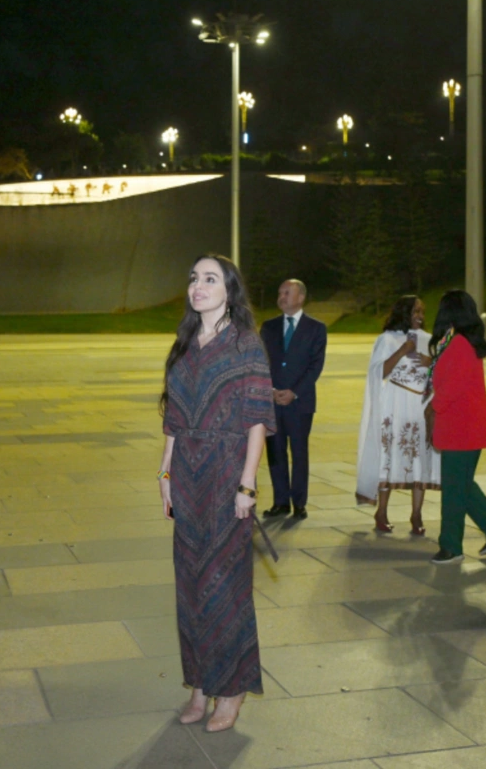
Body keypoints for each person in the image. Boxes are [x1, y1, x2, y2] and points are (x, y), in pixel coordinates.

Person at [158, 254, 276, 733]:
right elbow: (173, 416)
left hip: (227, 472)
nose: (198, 286)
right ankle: (199, 684)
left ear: (230, 291)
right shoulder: (185, 344)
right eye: (194, 278)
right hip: (187, 475)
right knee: (190, 584)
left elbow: (257, 420)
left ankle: (230, 690)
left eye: (210, 279)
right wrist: (165, 472)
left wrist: (248, 483)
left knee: (225, 585)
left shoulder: (246, 344)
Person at [426, 290, 486, 564]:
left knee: (455, 490)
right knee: (461, 486)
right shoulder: (462, 341)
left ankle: (451, 547)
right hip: (463, 426)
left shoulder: (459, 344)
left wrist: (432, 407)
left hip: (461, 428)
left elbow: (452, 386)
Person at [355, 295, 440, 535]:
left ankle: (417, 514)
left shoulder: (429, 339)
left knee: (419, 457)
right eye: (415, 312)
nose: (420, 316)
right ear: (404, 313)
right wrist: (402, 351)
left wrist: (431, 362)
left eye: (422, 312)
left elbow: (441, 373)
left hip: (421, 404)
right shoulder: (387, 339)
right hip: (395, 404)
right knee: (390, 455)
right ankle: (381, 511)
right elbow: (378, 372)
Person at [260, 279, 327, 520]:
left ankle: (299, 503)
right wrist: (270, 390)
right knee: (275, 453)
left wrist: (294, 392)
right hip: (272, 401)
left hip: (300, 402)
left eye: (287, 293)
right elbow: (260, 362)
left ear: (301, 297)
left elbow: (315, 366)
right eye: (280, 292)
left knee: (299, 453)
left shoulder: (316, 328)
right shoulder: (268, 327)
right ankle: (280, 502)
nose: (282, 297)